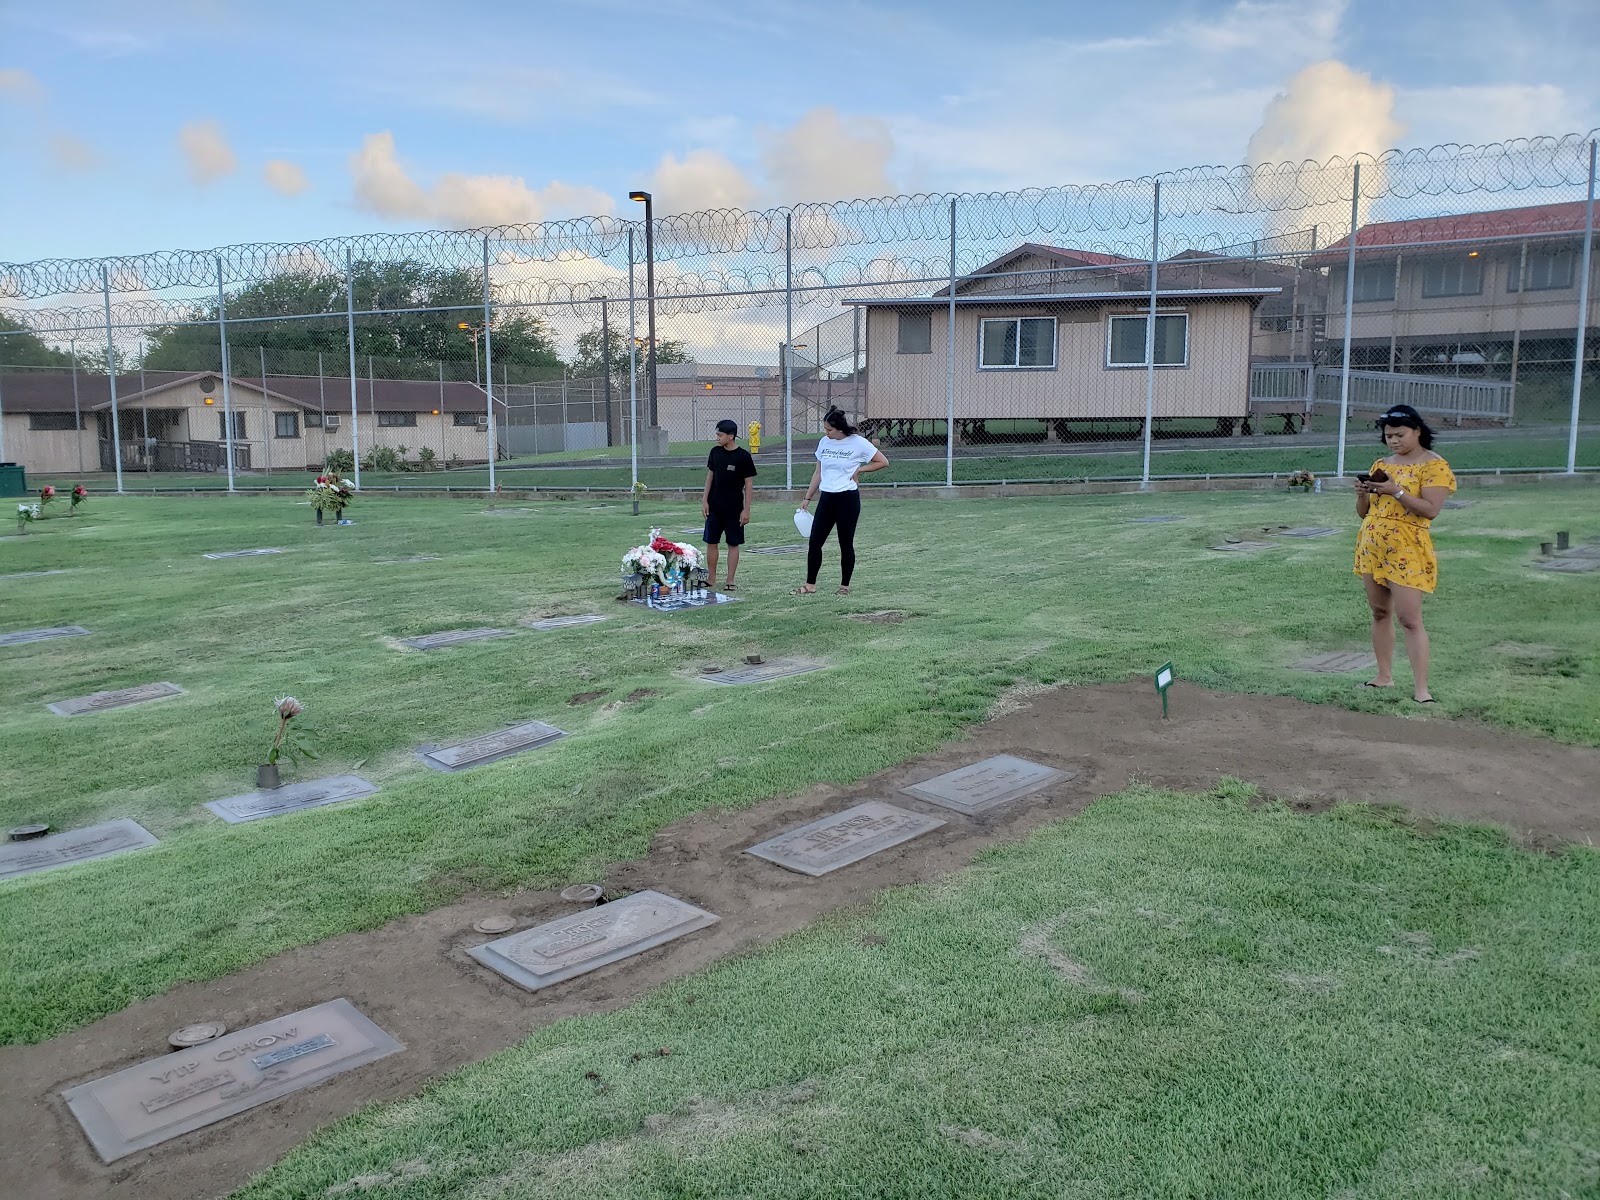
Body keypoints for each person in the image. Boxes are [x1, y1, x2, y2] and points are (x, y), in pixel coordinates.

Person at [1353, 404, 1456, 703]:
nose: (1393, 441)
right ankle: (1383, 677)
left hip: (1407, 547)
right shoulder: (1381, 464)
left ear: (1417, 431)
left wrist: (1396, 492)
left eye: (1399, 435)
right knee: (1379, 612)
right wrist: (1363, 494)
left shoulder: (1434, 466)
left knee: (1410, 618)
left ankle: (1422, 690)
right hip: (1373, 545)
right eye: (1388, 436)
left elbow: (1430, 510)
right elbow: (1364, 513)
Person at [795, 409, 888, 595]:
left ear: (839, 429)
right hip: (826, 498)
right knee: (815, 542)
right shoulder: (824, 442)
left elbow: (882, 461)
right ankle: (810, 585)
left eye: (829, 430)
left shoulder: (858, 443)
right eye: (825, 429)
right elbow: (818, 472)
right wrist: (807, 498)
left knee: (845, 543)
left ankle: (844, 586)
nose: (826, 433)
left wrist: (860, 471)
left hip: (847, 499)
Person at [701, 419, 757, 591]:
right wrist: (704, 500)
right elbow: (710, 477)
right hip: (714, 506)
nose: (717, 438)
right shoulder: (715, 453)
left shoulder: (743, 457)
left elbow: (748, 484)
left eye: (720, 435)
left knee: (733, 543)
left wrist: (746, 509)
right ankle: (711, 578)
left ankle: (730, 580)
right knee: (711, 542)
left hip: (734, 509)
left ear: (731, 436)